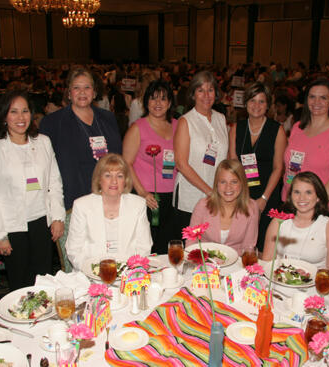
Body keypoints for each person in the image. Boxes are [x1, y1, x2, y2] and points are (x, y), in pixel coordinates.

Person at [0, 90, 65, 290]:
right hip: (12, 226)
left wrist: (58, 217)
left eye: (25, 111)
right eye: (14, 112)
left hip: (42, 222)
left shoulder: (43, 142)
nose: (21, 118)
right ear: (4, 117)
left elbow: (54, 182)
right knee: (21, 285)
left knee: (44, 281)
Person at [40, 67, 122, 210]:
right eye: (76, 87)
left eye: (87, 87)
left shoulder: (108, 118)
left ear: (94, 92)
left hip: (107, 196)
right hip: (73, 199)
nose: (82, 92)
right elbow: (45, 167)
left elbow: (118, 157)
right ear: (69, 93)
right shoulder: (52, 123)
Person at [65, 153, 153, 271]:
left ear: (125, 181)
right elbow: (74, 250)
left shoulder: (138, 205)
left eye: (119, 176)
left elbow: (144, 246)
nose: (114, 181)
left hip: (128, 273)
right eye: (108, 175)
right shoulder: (82, 206)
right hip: (89, 274)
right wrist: (95, 271)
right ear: (99, 180)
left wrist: (128, 271)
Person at [229, 82, 286, 251]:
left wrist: (264, 198)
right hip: (242, 195)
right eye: (252, 100)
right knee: (240, 243)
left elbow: (278, 168)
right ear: (246, 103)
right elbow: (233, 164)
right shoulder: (236, 128)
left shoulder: (277, 130)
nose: (256, 106)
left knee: (264, 245)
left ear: (268, 105)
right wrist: (238, 196)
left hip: (267, 194)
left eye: (262, 101)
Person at [123, 80, 177, 254]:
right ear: (146, 102)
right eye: (153, 99)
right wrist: (143, 193)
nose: (158, 103)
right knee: (147, 247)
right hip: (146, 198)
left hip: (172, 196)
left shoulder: (178, 125)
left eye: (163, 99)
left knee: (166, 246)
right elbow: (126, 163)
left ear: (169, 103)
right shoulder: (138, 128)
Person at [282, 78, 329, 213]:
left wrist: (312, 206)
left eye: (323, 98)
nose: (316, 102)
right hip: (291, 203)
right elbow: (291, 167)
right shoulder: (297, 128)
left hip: (320, 208)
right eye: (312, 97)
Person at [173, 71, 229, 236]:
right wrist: (210, 191)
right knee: (190, 249)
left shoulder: (221, 119)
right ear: (193, 94)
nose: (206, 95)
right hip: (190, 197)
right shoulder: (186, 121)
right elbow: (181, 164)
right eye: (200, 90)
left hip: (217, 196)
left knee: (210, 247)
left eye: (210, 90)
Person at [261, 172, 329, 280]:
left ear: (318, 197)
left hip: (313, 288)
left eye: (308, 192)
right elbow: (267, 262)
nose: (301, 198)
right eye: (297, 192)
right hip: (279, 283)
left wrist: (305, 279)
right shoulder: (279, 222)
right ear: (290, 195)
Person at [188, 159, 259, 254]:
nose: (228, 187)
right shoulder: (203, 205)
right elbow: (191, 242)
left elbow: (248, 247)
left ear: (242, 183)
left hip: (236, 263)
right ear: (216, 184)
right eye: (222, 182)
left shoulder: (252, 207)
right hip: (205, 263)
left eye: (234, 182)